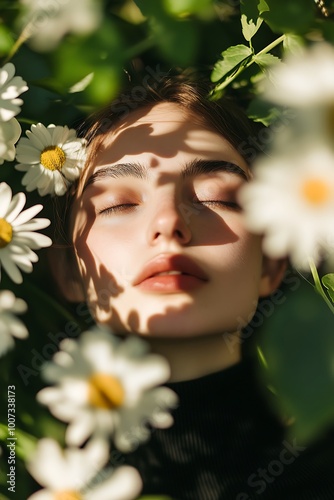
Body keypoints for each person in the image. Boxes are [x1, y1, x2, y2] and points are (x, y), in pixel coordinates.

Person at [54, 76, 334, 499]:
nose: (169, 222)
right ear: (68, 271)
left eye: (215, 197)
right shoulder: (24, 472)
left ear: (272, 261)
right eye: (118, 203)